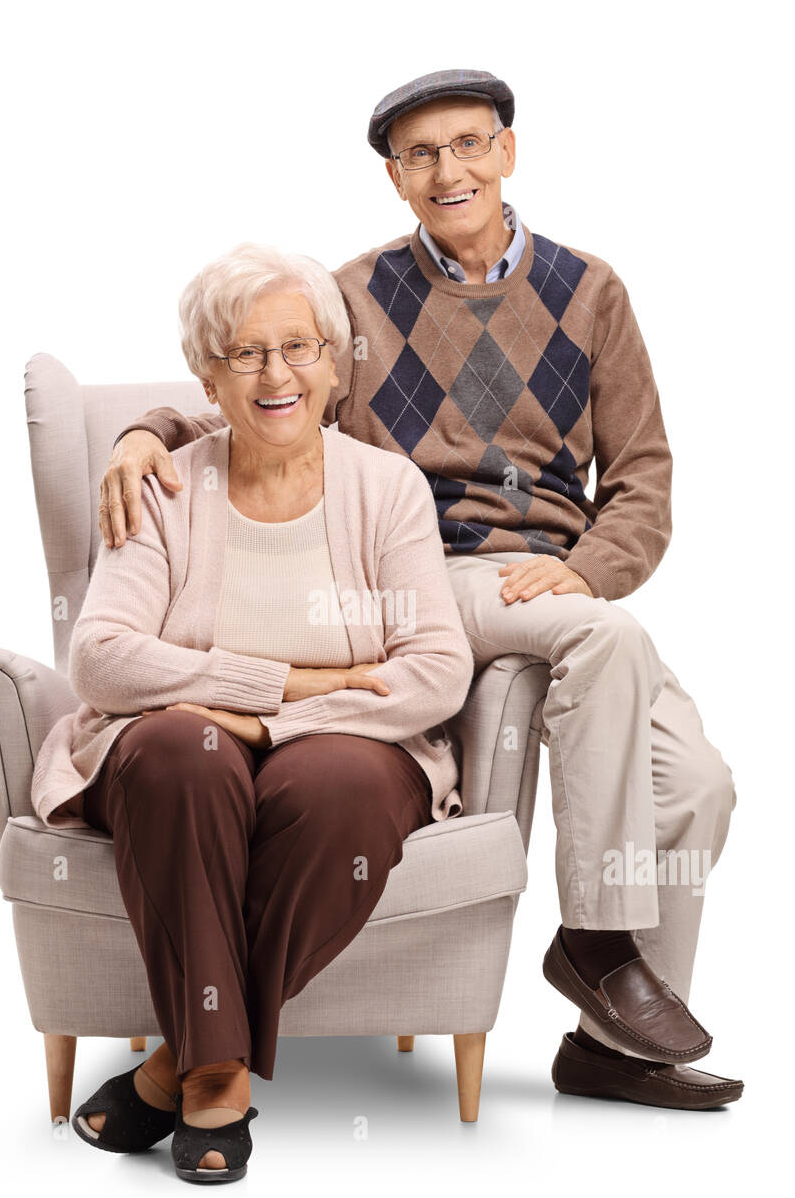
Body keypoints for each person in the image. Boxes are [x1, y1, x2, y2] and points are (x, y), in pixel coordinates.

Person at [99, 69, 742, 1111]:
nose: (449, 170)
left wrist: (582, 569)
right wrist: (142, 431)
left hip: (551, 580)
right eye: (421, 155)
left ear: (508, 152)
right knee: (603, 639)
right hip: (422, 567)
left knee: (698, 784)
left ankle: (608, 1044)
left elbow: (642, 480)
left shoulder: (590, 291)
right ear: (394, 177)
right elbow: (257, 382)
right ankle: (592, 942)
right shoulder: (355, 294)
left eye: (468, 144)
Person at [31, 243, 475, 1182]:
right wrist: (289, 687)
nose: (277, 375)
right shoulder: (164, 485)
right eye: (247, 354)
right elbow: (103, 658)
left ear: (333, 361)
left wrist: (277, 732)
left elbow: (436, 671)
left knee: (345, 781)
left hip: (346, 750)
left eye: (300, 348)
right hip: (181, 745)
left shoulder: (385, 489)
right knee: (185, 749)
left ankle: (186, 1066)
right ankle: (217, 1071)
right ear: (209, 376)